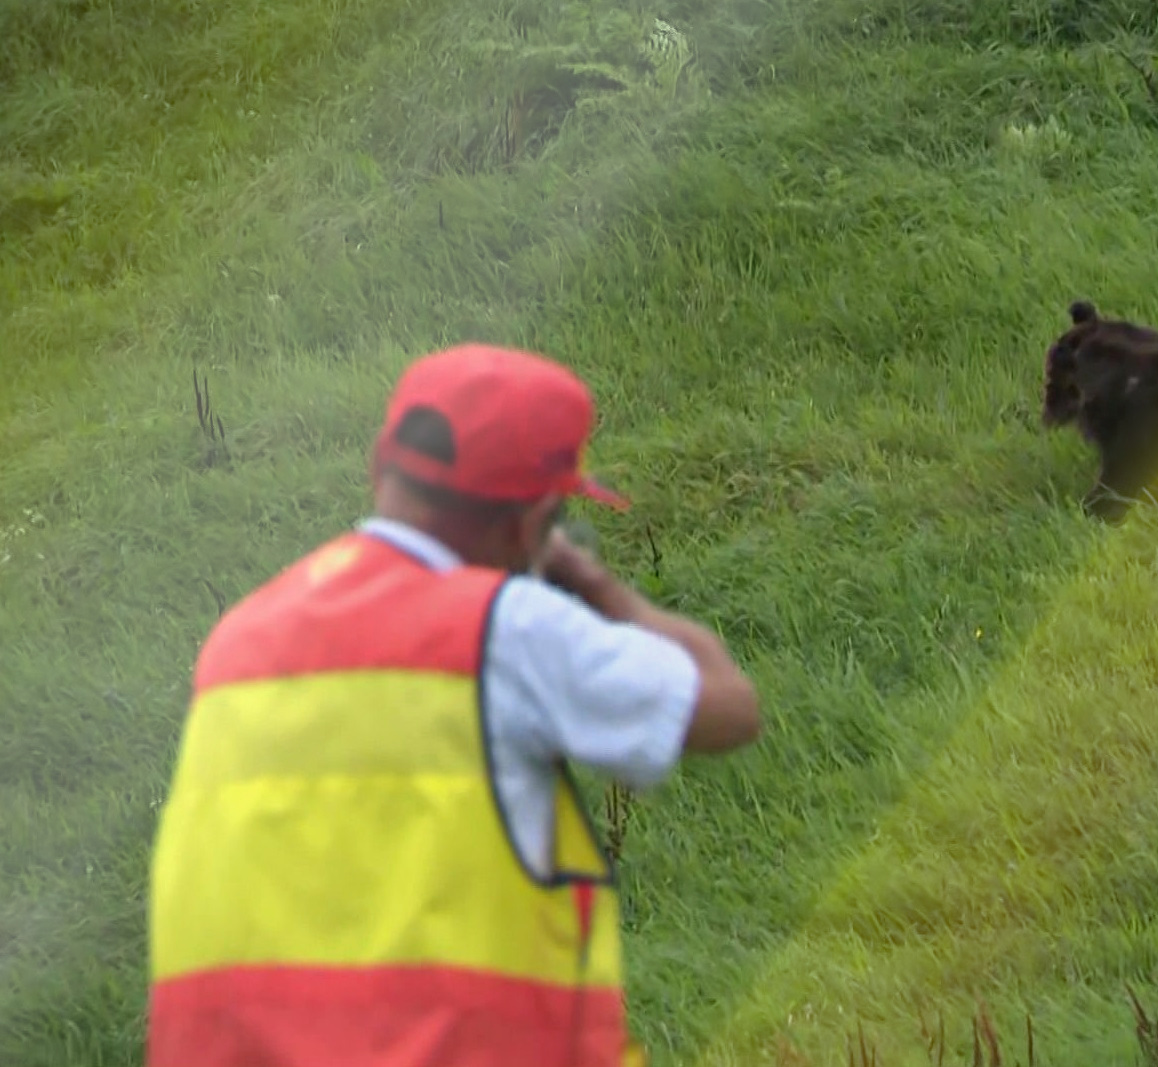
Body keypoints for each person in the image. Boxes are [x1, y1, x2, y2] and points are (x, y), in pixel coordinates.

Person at [144, 343, 762, 1067]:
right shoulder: (506, 627)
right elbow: (727, 706)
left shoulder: (237, 639)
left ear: (380, 466)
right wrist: (597, 586)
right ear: (533, 522)